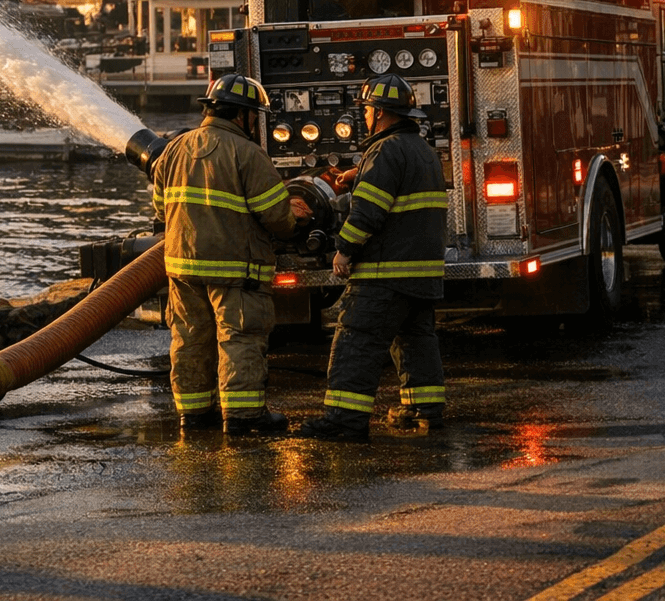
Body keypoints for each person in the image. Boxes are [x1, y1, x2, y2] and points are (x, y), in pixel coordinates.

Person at [152, 74, 312, 436]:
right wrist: (294, 215)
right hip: (235, 269)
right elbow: (276, 218)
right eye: (255, 116)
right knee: (239, 337)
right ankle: (243, 418)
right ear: (243, 116)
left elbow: (162, 211)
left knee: (190, 339)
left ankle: (193, 415)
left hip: (182, 267)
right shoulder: (248, 154)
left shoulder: (174, 149)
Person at [296, 73, 449, 442]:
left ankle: (344, 419)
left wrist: (344, 251)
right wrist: (358, 174)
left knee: (356, 339)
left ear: (379, 113)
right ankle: (423, 411)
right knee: (416, 340)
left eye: (366, 109)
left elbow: (369, 212)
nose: (364, 116)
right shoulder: (423, 150)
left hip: (384, 272)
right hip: (421, 273)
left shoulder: (384, 151)